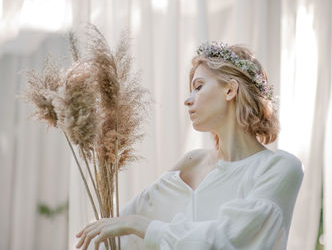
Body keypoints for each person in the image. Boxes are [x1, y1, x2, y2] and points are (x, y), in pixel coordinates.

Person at [75, 42, 304, 250]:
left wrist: (141, 225)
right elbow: (118, 229)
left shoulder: (279, 168)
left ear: (230, 90)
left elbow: (228, 239)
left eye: (199, 86)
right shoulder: (191, 163)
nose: (188, 99)